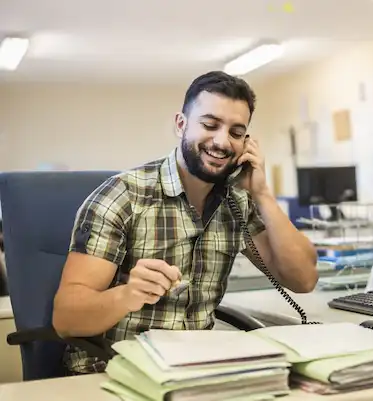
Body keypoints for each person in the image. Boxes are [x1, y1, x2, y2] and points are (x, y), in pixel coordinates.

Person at [52, 71, 319, 374]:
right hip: (113, 371)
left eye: (236, 132)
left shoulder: (238, 200)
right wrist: (127, 295)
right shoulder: (124, 196)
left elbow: (303, 279)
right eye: (209, 124)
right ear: (181, 125)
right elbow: (66, 319)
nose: (222, 141)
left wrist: (262, 193)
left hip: (193, 373)